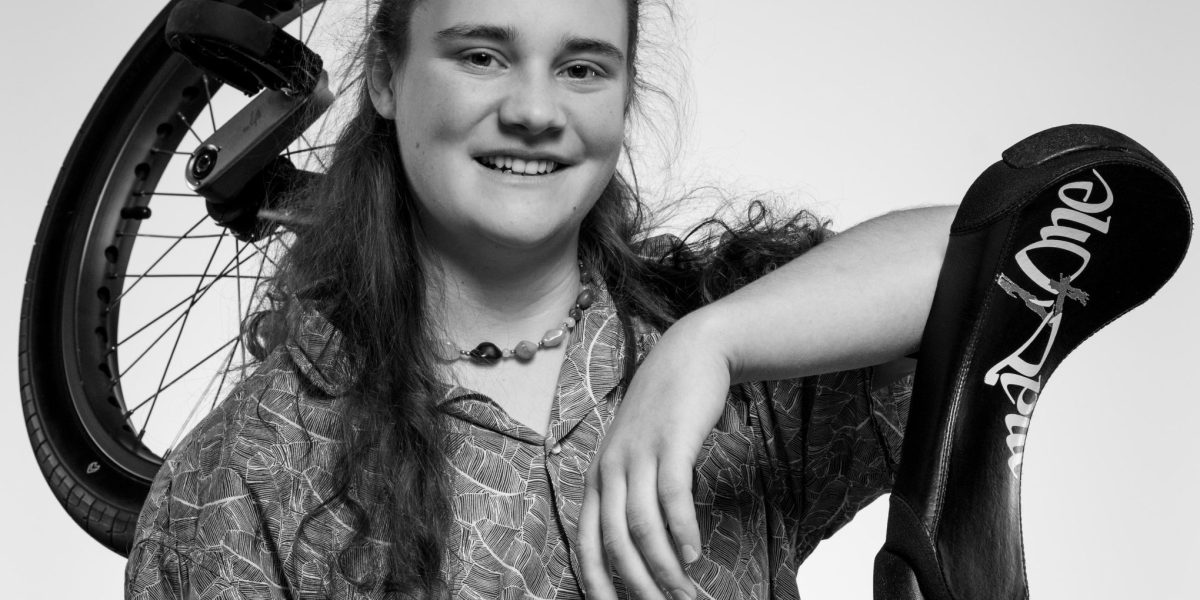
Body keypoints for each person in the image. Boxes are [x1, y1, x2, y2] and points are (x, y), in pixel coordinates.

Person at [124, 0, 954, 598]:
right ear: (384, 75)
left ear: (625, 99)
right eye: (481, 55)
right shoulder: (242, 475)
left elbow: (1045, 228)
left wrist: (712, 342)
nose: (533, 110)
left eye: (582, 67)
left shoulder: (740, 362)